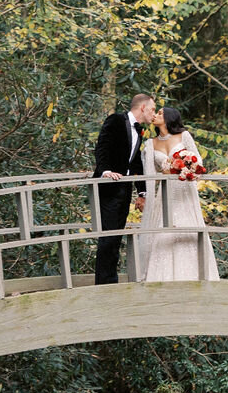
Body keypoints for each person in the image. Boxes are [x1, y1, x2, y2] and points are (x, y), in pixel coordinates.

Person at [139, 106, 219, 282]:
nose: (155, 116)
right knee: (164, 229)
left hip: (184, 190)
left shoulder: (184, 136)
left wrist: (186, 167)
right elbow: (150, 174)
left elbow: (198, 161)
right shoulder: (150, 144)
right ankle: (161, 276)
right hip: (165, 191)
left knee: (188, 225)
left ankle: (196, 275)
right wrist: (146, 196)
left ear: (168, 118)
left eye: (159, 113)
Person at [92, 93, 156, 284]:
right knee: (108, 236)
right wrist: (105, 171)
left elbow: (135, 162)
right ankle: (104, 284)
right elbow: (102, 147)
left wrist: (142, 191)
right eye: (152, 109)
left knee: (116, 235)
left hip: (124, 188)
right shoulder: (116, 120)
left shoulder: (139, 131)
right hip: (108, 186)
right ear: (142, 107)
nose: (153, 114)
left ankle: (110, 281)